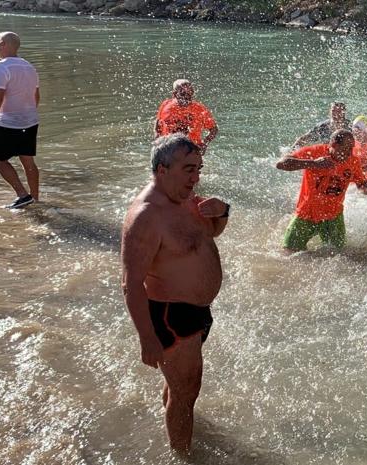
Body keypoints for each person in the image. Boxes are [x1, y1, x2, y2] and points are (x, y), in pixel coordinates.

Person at [121, 134, 231, 453]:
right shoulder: (146, 217)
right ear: (162, 170)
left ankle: (175, 423)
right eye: (188, 169)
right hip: (171, 316)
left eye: (198, 168)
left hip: (195, 311)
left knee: (181, 388)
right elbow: (131, 283)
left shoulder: (186, 198)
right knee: (187, 392)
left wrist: (223, 212)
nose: (196, 178)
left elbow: (210, 233)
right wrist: (147, 338)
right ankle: (182, 456)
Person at [276, 129, 367, 252]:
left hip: (333, 216)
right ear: (334, 145)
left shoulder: (353, 161)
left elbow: (361, 183)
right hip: (307, 214)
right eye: (346, 148)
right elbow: (281, 164)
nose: (350, 153)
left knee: (339, 255)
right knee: (288, 253)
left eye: (352, 148)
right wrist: (313, 163)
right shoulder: (315, 152)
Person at [0, 31, 40, 209]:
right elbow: (36, 96)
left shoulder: (1, 66)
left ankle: (23, 195)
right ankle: (35, 199)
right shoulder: (29, 67)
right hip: (30, 121)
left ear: (4, 45)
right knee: (28, 161)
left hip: (8, 122)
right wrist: (26, 113)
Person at [154, 79, 218, 152]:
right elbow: (158, 124)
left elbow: (214, 130)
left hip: (191, 151)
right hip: (168, 149)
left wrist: (204, 144)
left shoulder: (200, 109)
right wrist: (157, 141)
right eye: (183, 94)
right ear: (174, 94)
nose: (187, 97)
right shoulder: (166, 105)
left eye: (190, 93)